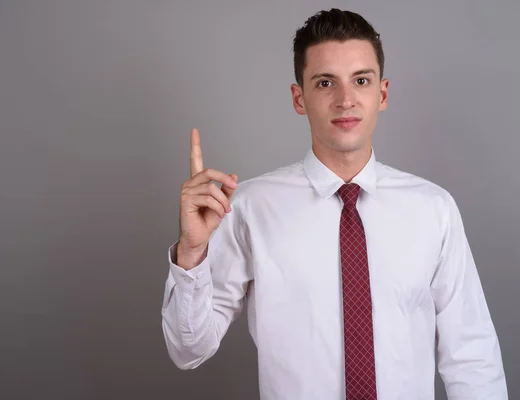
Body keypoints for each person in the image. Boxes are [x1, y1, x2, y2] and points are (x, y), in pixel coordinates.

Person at [160, 8, 507, 400]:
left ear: (382, 93)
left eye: (361, 80)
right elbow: (188, 350)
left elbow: (472, 356)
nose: (345, 100)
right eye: (325, 82)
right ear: (299, 98)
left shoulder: (434, 209)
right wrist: (192, 253)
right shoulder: (249, 209)